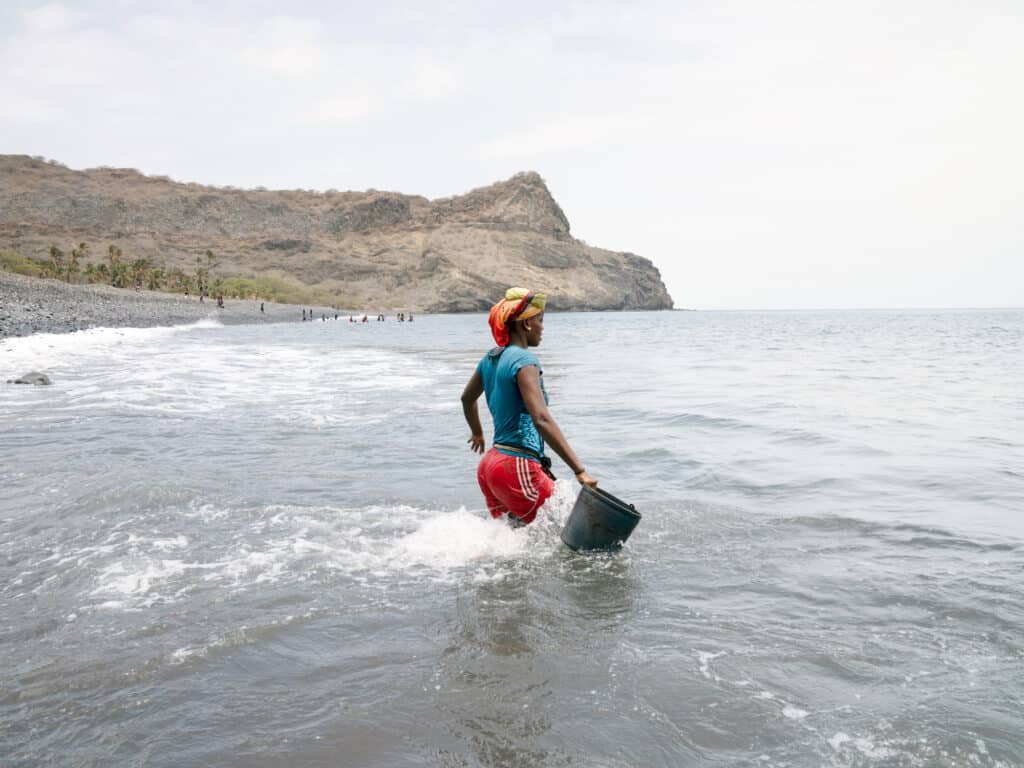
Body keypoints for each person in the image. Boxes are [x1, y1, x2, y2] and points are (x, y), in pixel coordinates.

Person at [461, 287, 597, 526]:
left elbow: (467, 399)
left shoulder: (491, 358)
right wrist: (579, 470)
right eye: (540, 320)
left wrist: (477, 432)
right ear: (526, 324)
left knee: (511, 540)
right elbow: (541, 418)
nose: (543, 328)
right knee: (570, 530)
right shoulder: (524, 361)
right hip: (516, 465)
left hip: (490, 466)